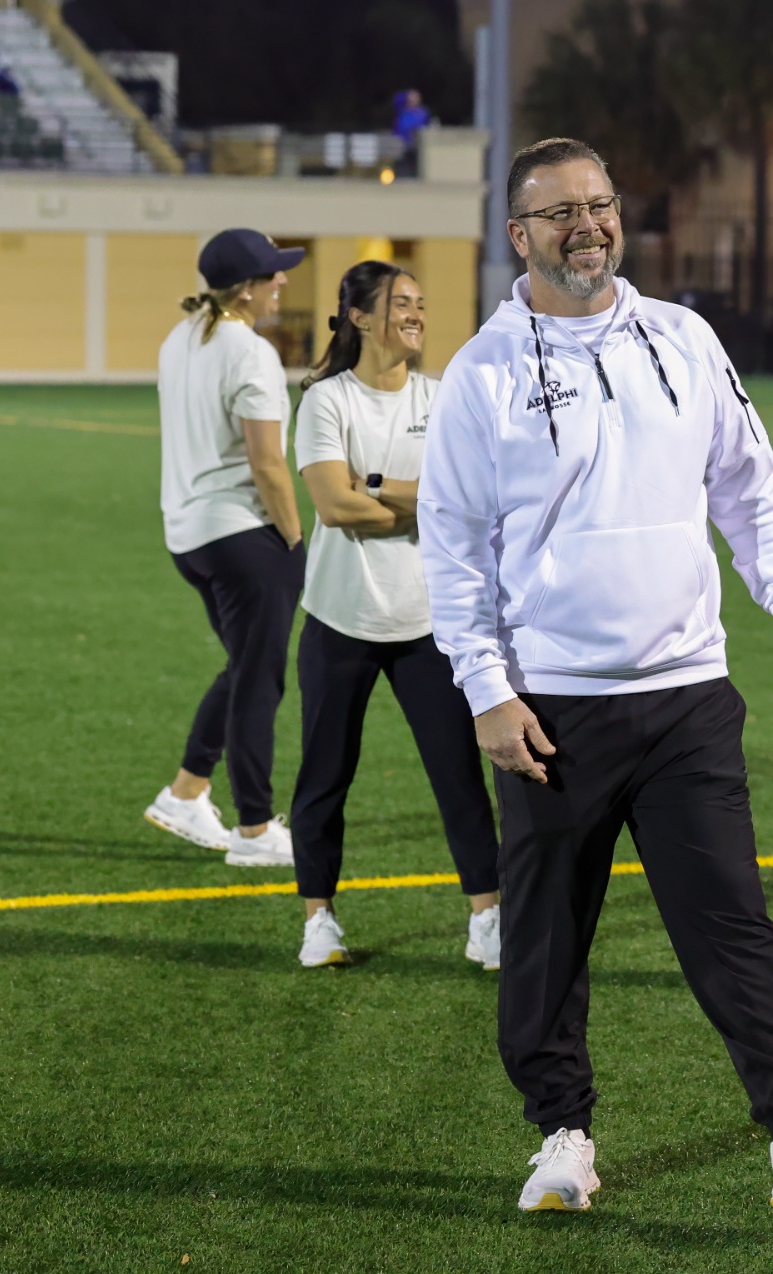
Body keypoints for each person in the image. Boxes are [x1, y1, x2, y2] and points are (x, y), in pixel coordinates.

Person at [420, 137, 773, 1213]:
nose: (586, 225)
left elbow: (746, 485)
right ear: (520, 235)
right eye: (560, 212)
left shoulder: (683, 340)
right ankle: (560, 1135)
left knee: (730, 918)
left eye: (599, 203)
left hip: (686, 692)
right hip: (549, 706)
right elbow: (449, 547)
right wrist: (485, 690)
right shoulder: (482, 374)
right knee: (547, 939)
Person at [285, 261, 502, 972]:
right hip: (339, 621)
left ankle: (487, 918)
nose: (415, 314)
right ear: (358, 316)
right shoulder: (325, 401)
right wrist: (414, 504)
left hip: (428, 626)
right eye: (400, 303)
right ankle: (319, 919)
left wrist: (371, 483)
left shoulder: (441, 399)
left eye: (419, 303)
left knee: (459, 776)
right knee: (325, 775)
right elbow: (331, 506)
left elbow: (465, 501)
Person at [144, 230, 309, 869]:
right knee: (260, 681)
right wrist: (296, 539)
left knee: (245, 668)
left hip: (187, 536)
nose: (283, 283)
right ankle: (254, 830)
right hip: (241, 537)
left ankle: (187, 792)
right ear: (248, 288)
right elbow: (268, 465)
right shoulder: (250, 351)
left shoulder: (179, 339)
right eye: (274, 274)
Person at [391, 88, 430, 176]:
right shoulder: (402, 110)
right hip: (401, 143)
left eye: (416, 98)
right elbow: (396, 99)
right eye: (411, 98)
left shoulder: (423, 113)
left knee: (415, 159)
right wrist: (407, 94)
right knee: (401, 161)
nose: (413, 100)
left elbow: (426, 128)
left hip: (416, 144)